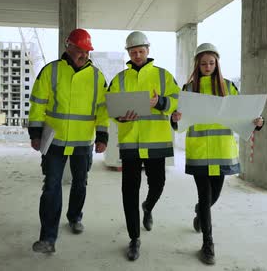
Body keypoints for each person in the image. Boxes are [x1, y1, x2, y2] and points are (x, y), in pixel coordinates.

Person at [171, 43, 264, 265]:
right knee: (205, 196)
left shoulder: (228, 87)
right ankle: (208, 244)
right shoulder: (189, 89)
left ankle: (199, 212)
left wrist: (258, 123)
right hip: (200, 151)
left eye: (211, 63)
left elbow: (243, 116)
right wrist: (174, 119)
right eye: (203, 63)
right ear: (197, 64)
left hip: (222, 150)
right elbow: (179, 121)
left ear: (217, 64)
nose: (207, 66)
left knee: (215, 196)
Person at [28, 28, 109, 254]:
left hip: (83, 142)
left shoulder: (96, 76)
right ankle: (48, 237)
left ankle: (74, 217)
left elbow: (102, 110)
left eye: (87, 51)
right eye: (80, 50)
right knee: (52, 186)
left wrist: (102, 136)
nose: (85, 54)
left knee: (80, 183)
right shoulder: (51, 71)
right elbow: (37, 104)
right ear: (68, 47)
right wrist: (35, 133)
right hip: (55, 141)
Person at [108, 31, 180, 261]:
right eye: (133, 51)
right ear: (128, 52)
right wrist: (121, 118)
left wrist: (159, 102)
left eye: (141, 51)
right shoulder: (119, 79)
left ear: (148, 51)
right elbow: (111, 107)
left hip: (156, 141)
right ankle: (134, 238)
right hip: (130, 142)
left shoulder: (163, 76)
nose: (137, 55)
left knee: (157, 184)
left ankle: (147, 207)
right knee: (129, 191)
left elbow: (177, 100)